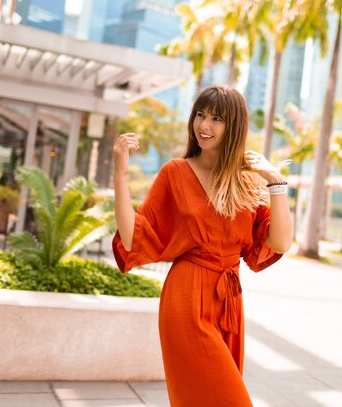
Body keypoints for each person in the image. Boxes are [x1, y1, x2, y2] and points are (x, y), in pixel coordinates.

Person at [112, 85, 292, 406]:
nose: (204, 126)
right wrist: (120, 172)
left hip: (229, 301)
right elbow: (133, 238)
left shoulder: (247, 181)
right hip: (186, 298)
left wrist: (276, 182)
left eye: (216, 119)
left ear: (234, 126)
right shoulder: (176, 172)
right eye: (200, 115)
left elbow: (279, 242)